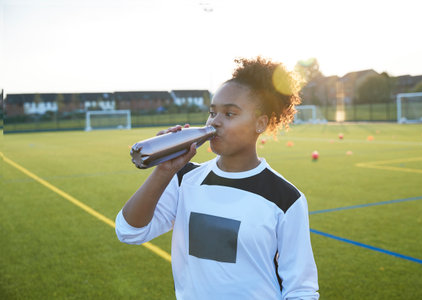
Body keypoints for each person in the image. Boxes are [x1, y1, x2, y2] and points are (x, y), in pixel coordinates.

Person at [115, 57, 319, 299]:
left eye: (230, 114)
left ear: (260, 123)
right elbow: (129, 232)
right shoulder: (184, 179)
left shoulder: (285, 198)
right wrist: (163, 171)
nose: (215, 122)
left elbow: (301, 289)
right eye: (212, 112)